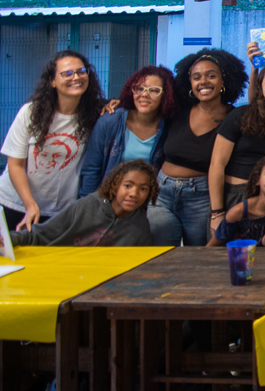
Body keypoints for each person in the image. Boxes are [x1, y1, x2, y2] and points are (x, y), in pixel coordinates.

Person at [147, 48, 247, 247]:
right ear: (189, 83)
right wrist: (112, 105)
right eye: (196, 77)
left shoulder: (234, 117)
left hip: (202, 197)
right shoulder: (177, 110)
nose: (203, 82)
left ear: (223, 80)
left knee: (199, 257)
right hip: (162, 193)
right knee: (161, 255)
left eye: (211, 76)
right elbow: (142, 105)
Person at [0, 50, 106, 231]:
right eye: (67, 74)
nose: (76, 77)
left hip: (61, 210)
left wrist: (114, 104)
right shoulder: (31, 112)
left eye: (82, 71)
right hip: (15, 203)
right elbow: (15, 164)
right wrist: (30, 204)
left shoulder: (95, 114)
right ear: (52, 81)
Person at [209, 60, 265, 235]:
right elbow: (217, 164)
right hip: (235, 197)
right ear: (260, 86)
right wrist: (217, 212)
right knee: (224, 258)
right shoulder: (240, 114)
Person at [79, 65, 175, 198]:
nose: (144, 94)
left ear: (166, 94)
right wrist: (88, 206)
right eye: (139, 88)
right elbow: (91, 169)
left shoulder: (170, 126)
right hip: (110, 200)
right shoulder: (110, 121)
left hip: (149, 203)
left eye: (154, 90)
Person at [10, 160, 157, 246]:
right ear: (115, 186)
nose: (134, 194)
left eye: (143, 189)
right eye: (128, 186)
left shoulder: (141, 227)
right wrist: (9, 239)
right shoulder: (87, 206)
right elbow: (39, 234)